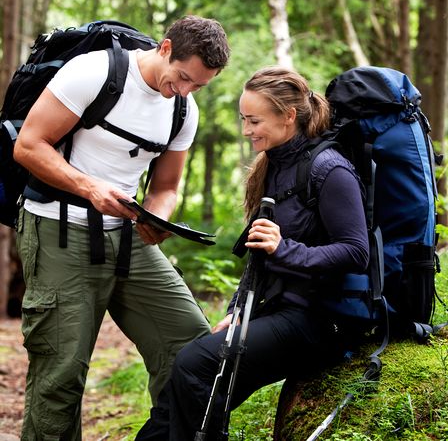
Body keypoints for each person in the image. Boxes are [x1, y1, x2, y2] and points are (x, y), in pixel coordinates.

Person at [13, 16, 230, 440]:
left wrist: (157, 216)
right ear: (165, 49)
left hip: (127, 237)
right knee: (61, 372)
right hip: (58, 228)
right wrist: (89, 186)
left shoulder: (184, 108)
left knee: (191, 346)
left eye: (199, 85)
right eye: (183, 77)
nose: (185, 90)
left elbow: (166, 186)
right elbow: (29, 145)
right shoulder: (94, 72)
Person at [136, 66, 370, 440]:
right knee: (189, 388)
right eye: (244, 119)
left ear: (288, 116)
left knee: (195, 364)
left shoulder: (329, 168)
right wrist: (236, 311)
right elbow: (259, 257)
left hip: (322, 320)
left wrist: (285, 248)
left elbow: (356, 253)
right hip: (279, 309)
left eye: (254, 120)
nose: (246, 130)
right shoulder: (274, 165)